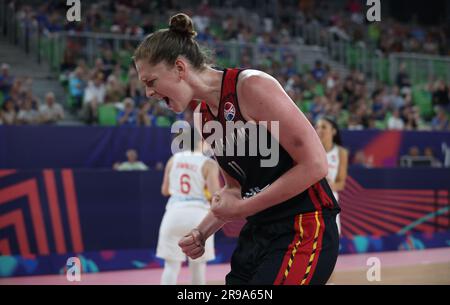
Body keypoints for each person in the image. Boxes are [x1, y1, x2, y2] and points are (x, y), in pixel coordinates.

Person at [134, 13, 340, 285]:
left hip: (303, 225)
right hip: (259, 232)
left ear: (180, 69)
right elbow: (234, 189)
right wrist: (202, 232)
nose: (148, 93)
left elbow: (315, 165)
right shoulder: (202, 117)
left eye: (151, 82)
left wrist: (243, 208)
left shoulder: (252, 86)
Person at [157, 132, 221, 284]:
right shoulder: (208, 163)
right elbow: (216, 196)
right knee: (198, 266)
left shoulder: (173, 160)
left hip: (174, 213)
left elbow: (165, 190)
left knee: (171, 267)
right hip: (199, 216)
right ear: (200, 143)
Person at [315, 116, 349, 235]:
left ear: (333, 131)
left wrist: (326, 185)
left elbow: (341, 183)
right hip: (312, 199)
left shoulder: (341, 152)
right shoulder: (310, 151)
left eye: (324, 127)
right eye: (317, 127)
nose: (319, 130)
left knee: (332, 237)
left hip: (330, 200)